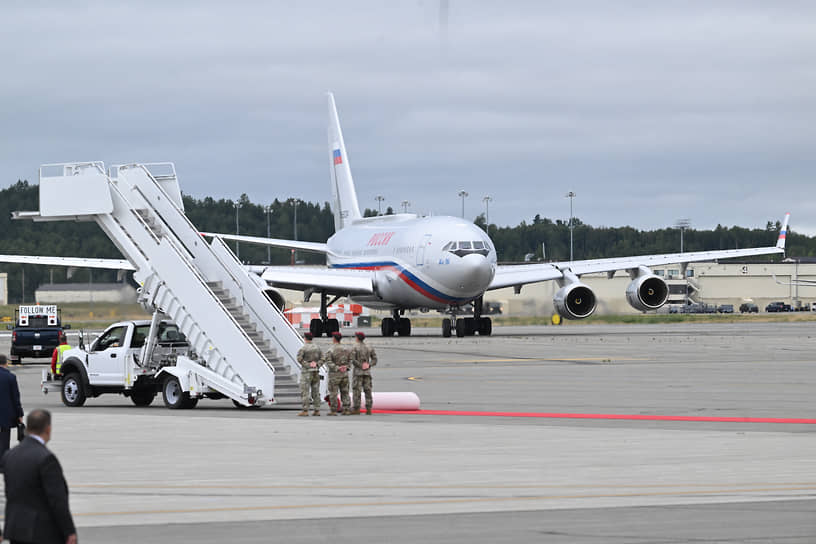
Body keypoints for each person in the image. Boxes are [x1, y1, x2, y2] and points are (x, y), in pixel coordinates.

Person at [1, 409, 77, 544]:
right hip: (41, 531)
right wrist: (69, 531)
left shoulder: (9, 456)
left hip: (16, 530)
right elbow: (57, 500)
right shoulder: (46, 459)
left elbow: (10, 493)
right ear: (48, 429)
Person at [0, 354, 24, 464]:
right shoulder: (10, 377)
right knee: (5, 440)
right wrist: (19, 414)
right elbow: (15, 398)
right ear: (6, 363)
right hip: (6, 414)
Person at [321, 332, 351, 415]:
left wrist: (337, 368)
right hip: (344, 374)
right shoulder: (346, 349)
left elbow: (329, 362)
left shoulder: (331, 350)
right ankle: (346, 409)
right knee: (345, 392)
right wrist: (346, 367)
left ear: (334, 339)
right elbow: (350, 360)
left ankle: (333, 410)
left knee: (333, 393)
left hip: (335, 375)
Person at [350, 332, 377, 415]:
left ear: (357, 338)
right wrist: (368, 365)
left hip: (358, 372)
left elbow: (353, 360)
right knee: (368, 390)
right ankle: (369, 409)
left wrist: (360, 365)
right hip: (367, 372)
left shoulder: (354, 347)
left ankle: (357, 409)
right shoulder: (369, 347)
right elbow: (375, 359)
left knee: (357, 391)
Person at [296, 332, 322, 416]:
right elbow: (323, 358)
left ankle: (305, 410)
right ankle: (317, 410)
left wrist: (308, 365)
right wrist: (317, 364)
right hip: (316, 371)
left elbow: (299, 359)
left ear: (305, 338)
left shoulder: (303, 348)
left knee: (305, 391)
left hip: (306, 372)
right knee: (316, 391)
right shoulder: (318, 348)